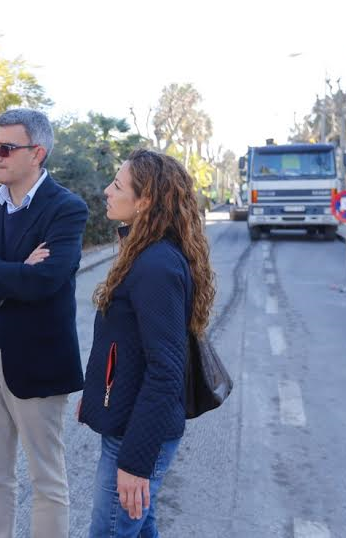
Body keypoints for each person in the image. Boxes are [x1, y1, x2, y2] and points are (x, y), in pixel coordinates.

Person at [0, 108, 89, 538]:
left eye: (6, 148)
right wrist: (13, 272)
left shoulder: (67, 209)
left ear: (37, 153)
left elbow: (44, 282)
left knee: (47, 480)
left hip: (39, 360)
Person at [77, 149, 215, 538]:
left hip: (137, 435)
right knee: (139, 528)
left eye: (117, 186)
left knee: (110, 531)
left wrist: (136, 463)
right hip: (129, 418)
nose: (106, 191)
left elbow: (166, 369)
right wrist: (94, 394)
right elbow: (125, 344)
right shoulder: (144, 252)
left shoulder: (156, 265)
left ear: (146, 200)